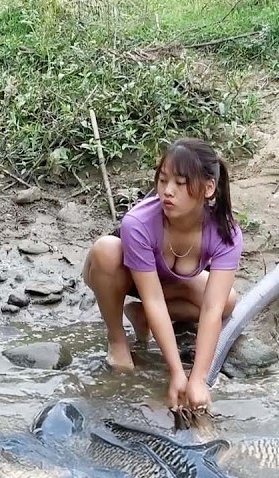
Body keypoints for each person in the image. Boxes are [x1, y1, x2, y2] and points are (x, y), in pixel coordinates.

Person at [82, 137, 242, 412]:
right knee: (105, 250)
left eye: (180, 184)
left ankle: (140, 316)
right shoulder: (139, 222)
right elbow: (153, 297)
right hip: (125, 278)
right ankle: (117, 338)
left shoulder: (225, 232)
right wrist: (176, 374)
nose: (167, 191)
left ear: (208, 188)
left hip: (170, 284)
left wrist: (198, 379)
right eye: (163, 180)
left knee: (227, 300)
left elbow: (213, 310)